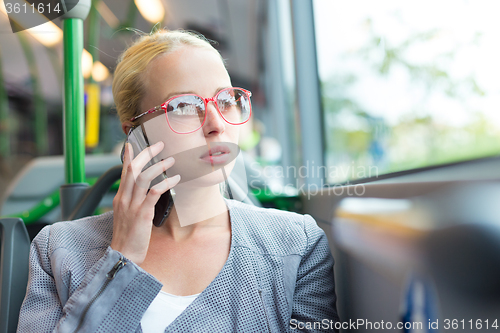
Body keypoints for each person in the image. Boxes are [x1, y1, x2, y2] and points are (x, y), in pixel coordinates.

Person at [17, 29, 339, 332]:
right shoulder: (58, 251)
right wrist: (120, 261)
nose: (216, 125)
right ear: (136, 134)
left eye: (226, 100)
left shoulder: (297, 246)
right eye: (185, 106)